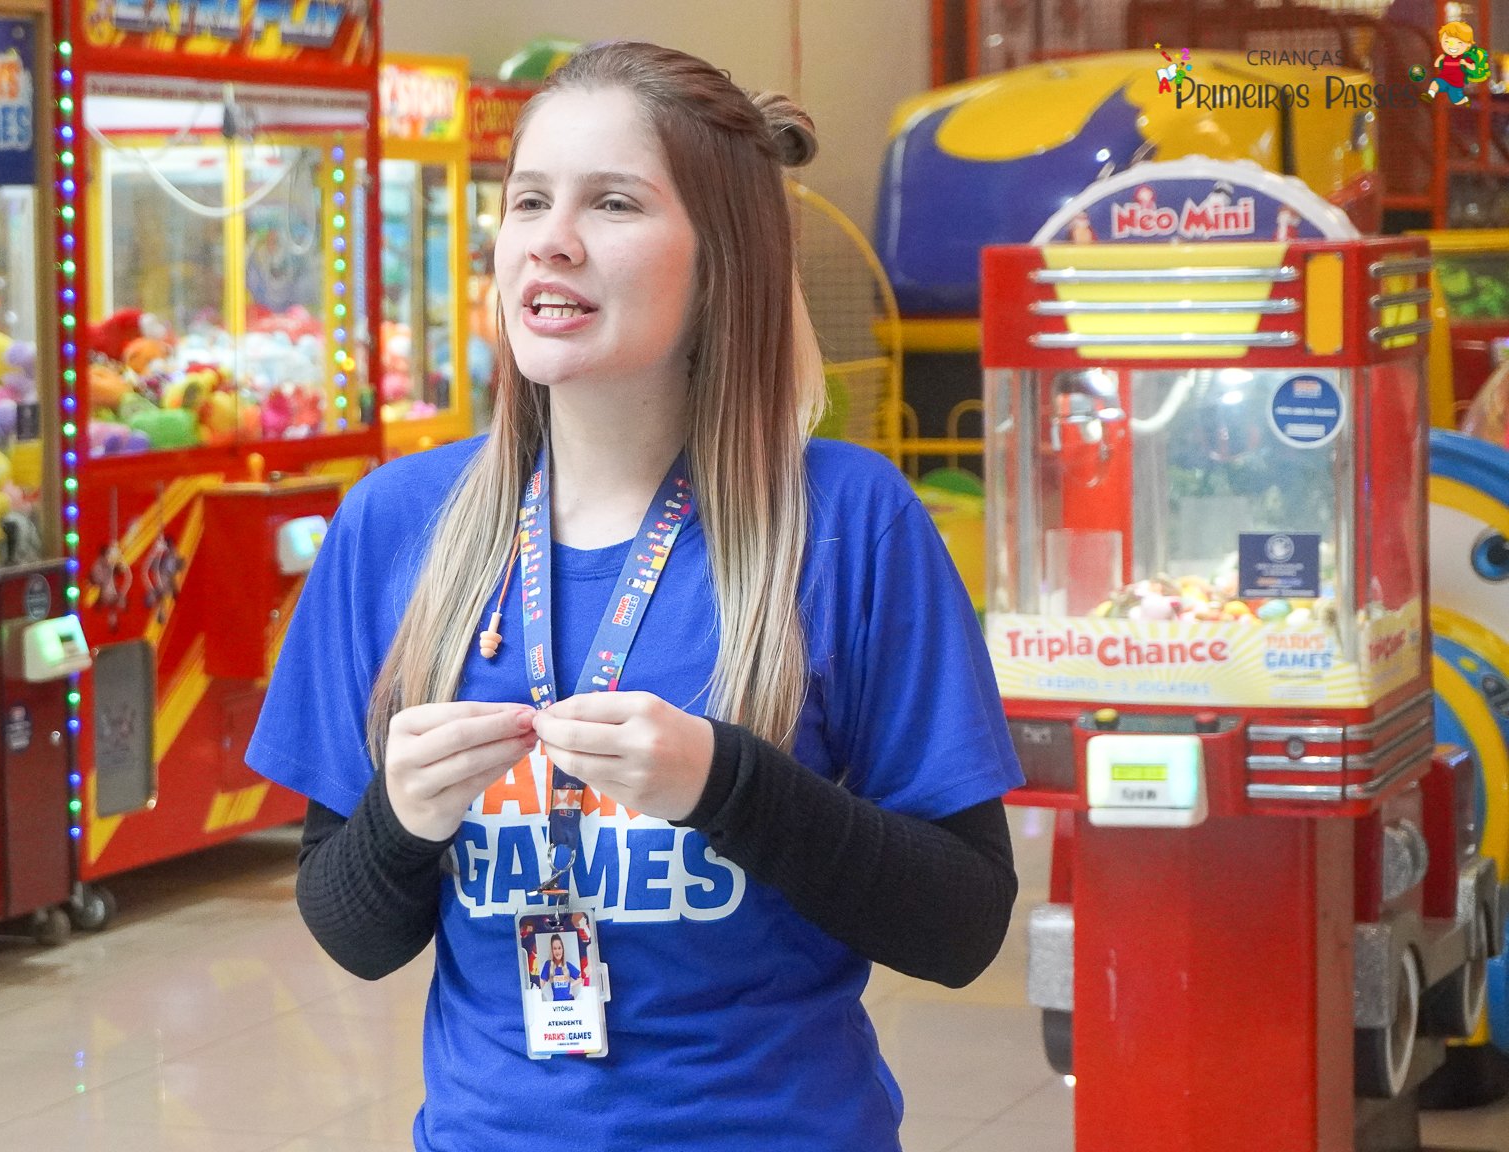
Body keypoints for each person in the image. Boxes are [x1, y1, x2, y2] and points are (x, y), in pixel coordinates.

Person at [249, 40, 1021, 1150]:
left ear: (723, 261)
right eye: (526, 201)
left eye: (612, 202)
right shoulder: (393, 524)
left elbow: (960, 926)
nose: (550, 239)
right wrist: (400, 822)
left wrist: (726, 783)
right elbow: (352, 935)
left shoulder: (847, 520)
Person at [537, 933, 580, 1001]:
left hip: (570, 1002)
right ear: (552, 950)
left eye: (559, 948)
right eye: (555, 948)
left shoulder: (567, 965)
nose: (557, 951)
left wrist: (571, 985)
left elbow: (582, 977)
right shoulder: (548, 965)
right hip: (556, 1004)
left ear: (562, 949)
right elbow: (540, 985)